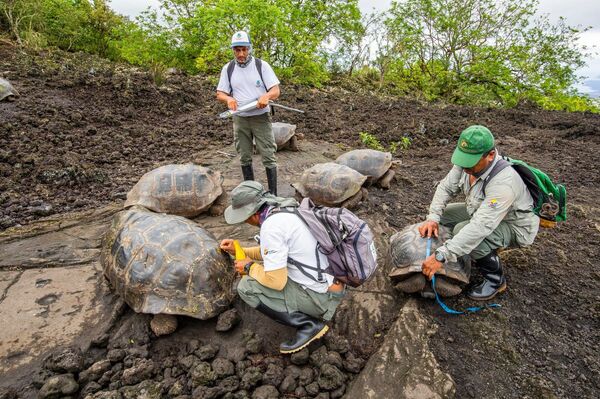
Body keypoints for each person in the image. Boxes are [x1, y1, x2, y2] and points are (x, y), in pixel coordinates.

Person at [220, 181, 345, 353]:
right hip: (333, 284)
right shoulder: (286, 209)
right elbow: (274, 251)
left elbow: (276, 282)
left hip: (322, 299)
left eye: (244, 217)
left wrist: (249, 267)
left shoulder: (271, 227)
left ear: (252, 214)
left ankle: (309, 326)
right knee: (267, 270)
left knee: (246, 286)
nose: (245, 222)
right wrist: (239, 250)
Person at [419, 125, 539, 300]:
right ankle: (464, 250)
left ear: (490, 155)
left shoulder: (504, 183)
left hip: (514, 225)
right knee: (444, 216)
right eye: (462, 158)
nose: (464, 165)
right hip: (479, 211)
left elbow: (480, 226)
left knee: (463, 229)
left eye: (471, 161)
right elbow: (445, 188)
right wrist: (433, 218)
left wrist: (441, 256)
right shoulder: (465, 164)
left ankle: (496, 280)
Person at [216, 31, 281, 195]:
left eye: (244, 49)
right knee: (244, 155)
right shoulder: (228, 68)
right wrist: (228, 99)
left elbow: (276, 90)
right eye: (237, 50)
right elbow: (220, 93)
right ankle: (250, 193)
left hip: (260, 117)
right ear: (233, 50)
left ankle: (273, 194)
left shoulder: (261, 66)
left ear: (249, 48)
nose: (241, 54)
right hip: (240, 118)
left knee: (268, 155)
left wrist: (266, 96)